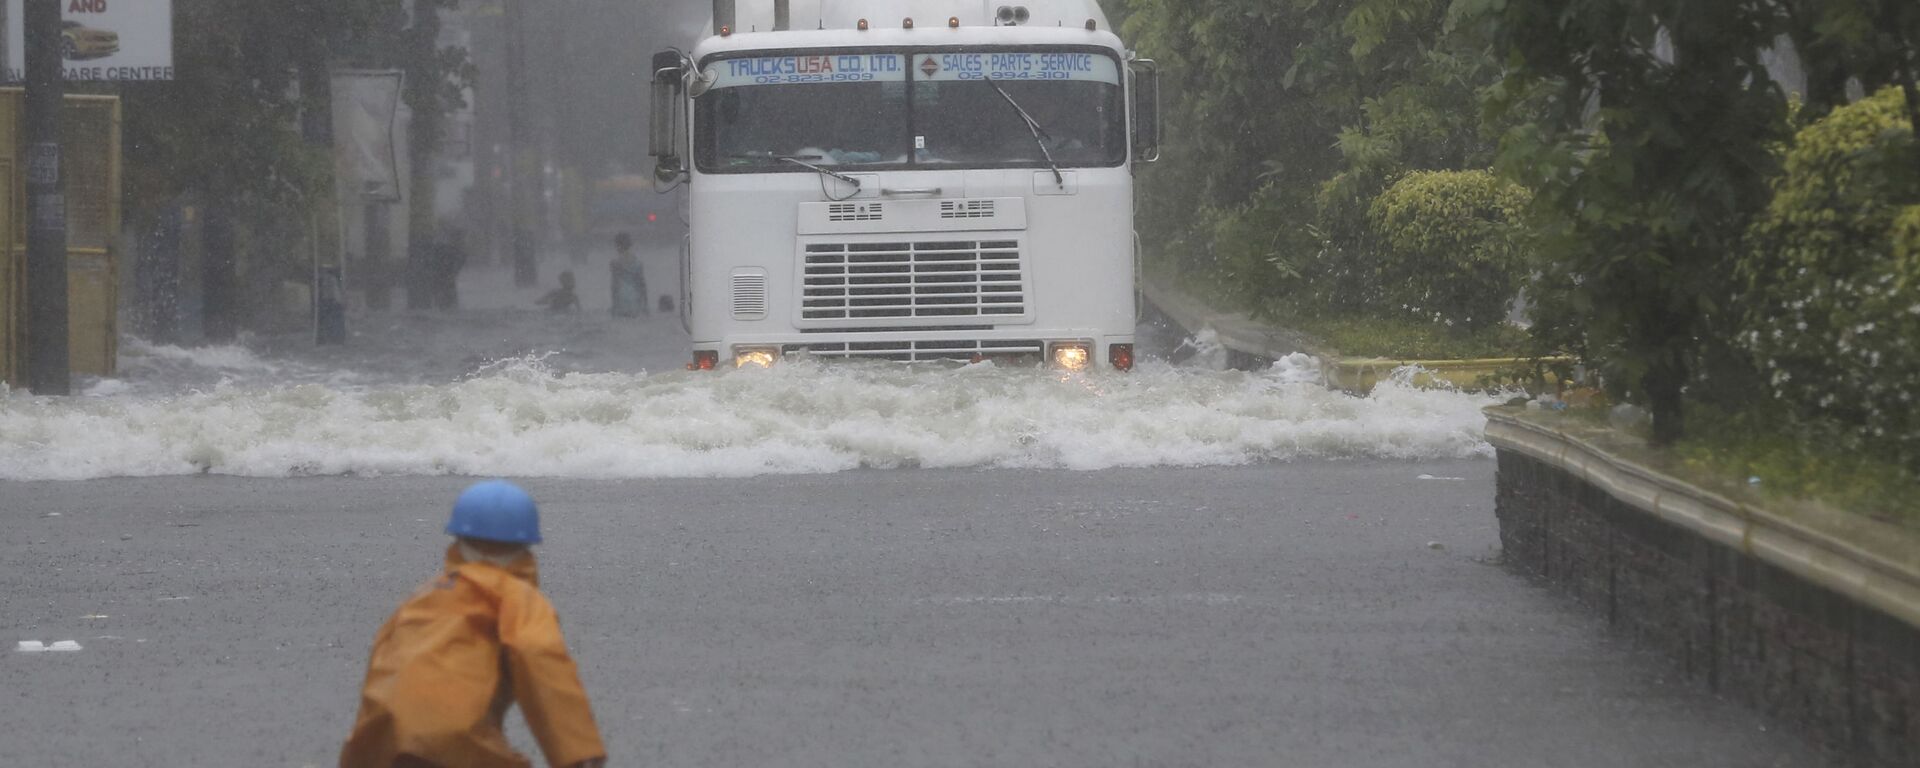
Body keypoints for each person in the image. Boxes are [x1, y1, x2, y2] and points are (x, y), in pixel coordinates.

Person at [340, 481, 607, 768]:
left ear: (457, 538)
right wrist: (578, 754)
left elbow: (382, 666)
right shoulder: (516, 597)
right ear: (527, 543)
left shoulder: (422, 596)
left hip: (387, 738)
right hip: (458, 738)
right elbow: (540, 657)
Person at [609, 232, 648, 318]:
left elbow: (614, 286)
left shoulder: (615, 263)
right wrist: (645, 305)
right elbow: (642, 284)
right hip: (636, 301)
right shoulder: (638, 262)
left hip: (622, 301)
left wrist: (614, 307)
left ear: (617, 246)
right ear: (630, 245)